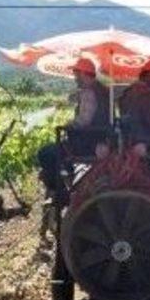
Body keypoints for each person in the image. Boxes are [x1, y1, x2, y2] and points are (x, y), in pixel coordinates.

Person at [37, 57, 110, 196]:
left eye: (76, 74)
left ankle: (61, 192)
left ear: (83, 73)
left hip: (88, 144)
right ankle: (69, 179)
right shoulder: (101, 90)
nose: (75, 78)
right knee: (56, 151)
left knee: (45, 153)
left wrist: (67, 125)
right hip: (98, 140)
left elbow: (83, 121)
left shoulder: (89, 93)